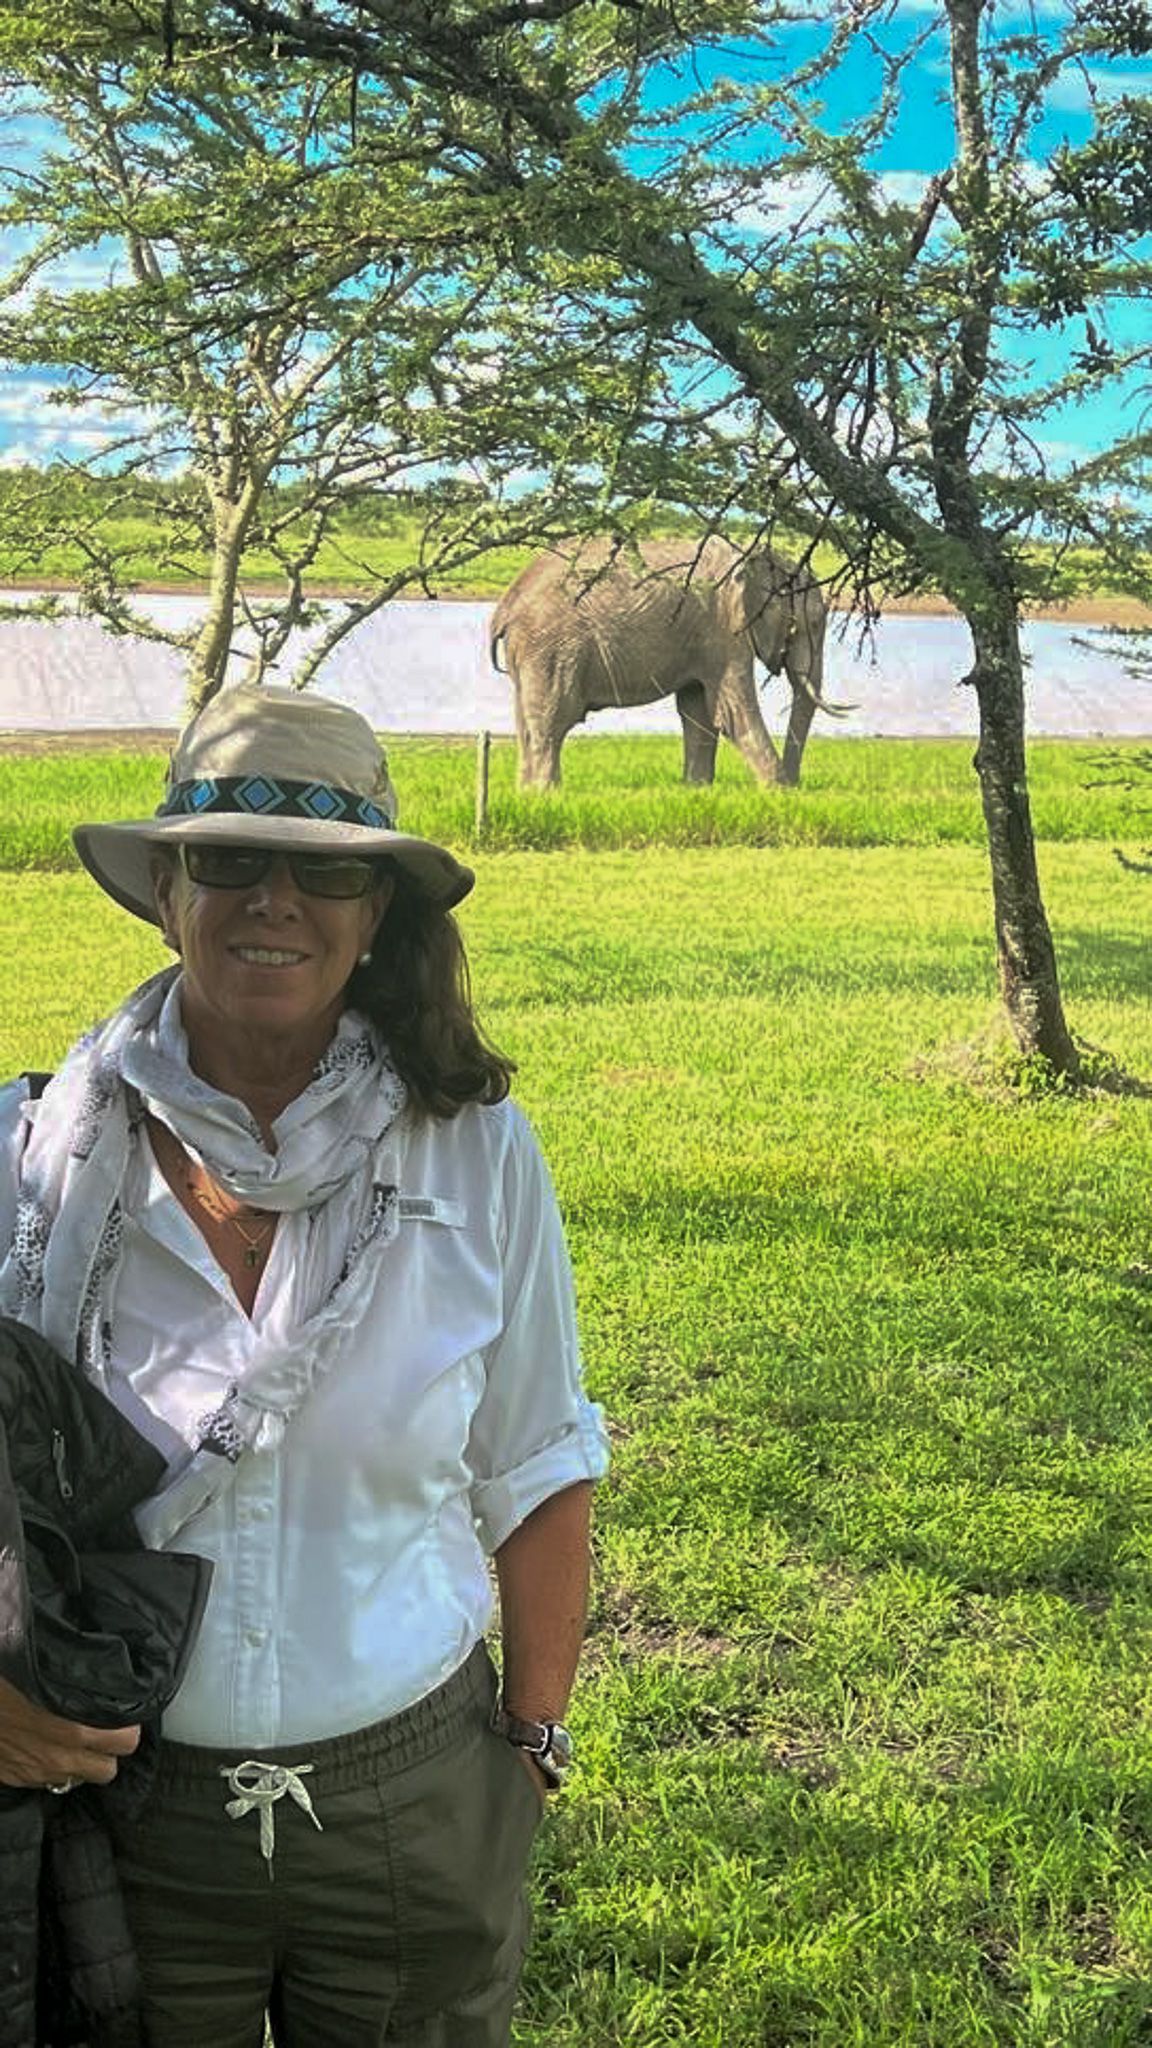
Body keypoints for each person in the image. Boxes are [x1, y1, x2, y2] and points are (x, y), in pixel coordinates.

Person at [0, 682, 609, 2048]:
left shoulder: (475, 1150)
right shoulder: (30, 1158)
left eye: (323, 870)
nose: (272, 900)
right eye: (228, 859)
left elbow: (538, 1463)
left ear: (374, 911)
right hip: (122, 1816)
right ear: (168, 893)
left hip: (416, 1804)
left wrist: (530, 1742)